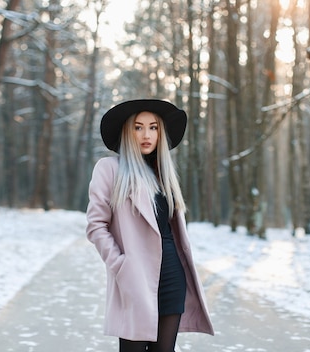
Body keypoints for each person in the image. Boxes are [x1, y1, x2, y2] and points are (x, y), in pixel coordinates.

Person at [86, 99, 214, 352]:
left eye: (153, 127)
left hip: (171, 277)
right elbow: (96, 226)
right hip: (136, 278)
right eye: (138, 127)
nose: (147, 135)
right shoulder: (110, 169)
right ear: (127, 132)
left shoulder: (163, 172)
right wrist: (121, 265)